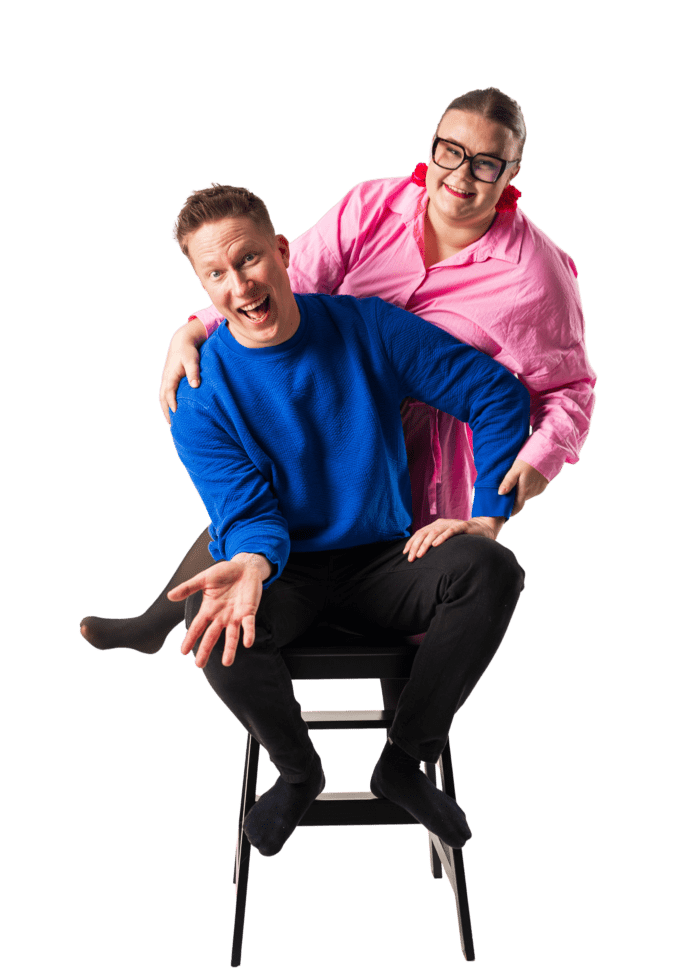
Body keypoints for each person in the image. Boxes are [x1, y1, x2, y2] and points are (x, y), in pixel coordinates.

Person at [80, 86, 595, 656]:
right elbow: (283, 274)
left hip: (433, 451)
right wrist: (196, 328)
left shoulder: (536, 273)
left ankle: (409, 720)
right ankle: (157, 622)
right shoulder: (372, 206)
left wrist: (533, 465)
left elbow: (570, 388)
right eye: (450, 151)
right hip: (345, 405)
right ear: (432, 146)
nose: (461, 175)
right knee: (262, 510)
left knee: (414, 616)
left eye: (486, 163)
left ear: (512, 171)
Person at [162, 182, 528, 857]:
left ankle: (404, 763)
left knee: (490, 569)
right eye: (215, 273)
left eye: (248, 259)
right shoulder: (198, 394)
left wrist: (486, 518)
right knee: (211, 622)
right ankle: (299, 773)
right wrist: (251, 561)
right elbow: (247, 511)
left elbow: (494, 393)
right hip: (285, 572)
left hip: (383, 560)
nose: (238, 285)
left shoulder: (366, 327)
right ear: (201, 284)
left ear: (282, 252)